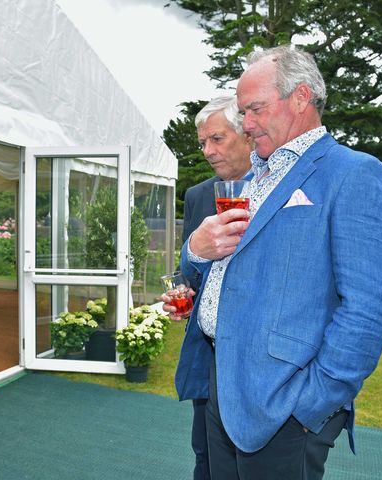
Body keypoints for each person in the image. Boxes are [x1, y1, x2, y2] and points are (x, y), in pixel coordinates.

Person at [175, 45, 382, 480]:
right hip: (225, 385)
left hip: (284, 403)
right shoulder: (256, 177)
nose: (247, 124)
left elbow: (371, 308)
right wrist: (194, 252)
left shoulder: (353, 173)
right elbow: (232, 270)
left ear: (300, 98)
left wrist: (313, 402)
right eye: (242, 113)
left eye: (255, 109)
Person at [163, 95, 252, 480]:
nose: (207, 151)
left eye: (216, 139)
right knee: (206, 456)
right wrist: (180, 291)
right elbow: (190, 270)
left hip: (257, 355)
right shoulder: (198, 195)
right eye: (202, 143)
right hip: (209, 352)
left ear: (247, 134)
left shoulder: (275, 188)